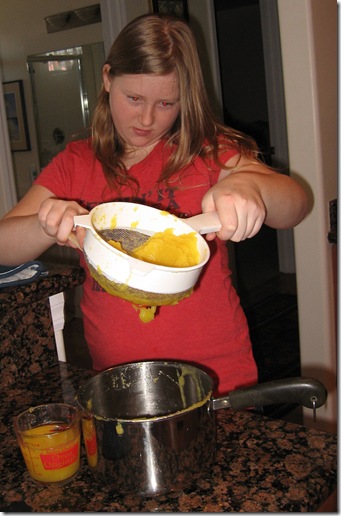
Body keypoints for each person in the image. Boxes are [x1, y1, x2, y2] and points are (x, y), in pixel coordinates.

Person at [0, 14, 307, 395]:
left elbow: (296, 203)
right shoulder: (77, 163)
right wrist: (43, 224)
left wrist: (251, 186)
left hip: (217, 379)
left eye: (166, 103)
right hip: (119, 380)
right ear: (108, 78)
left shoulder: (207, 152)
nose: (147, 118)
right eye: (134, 99)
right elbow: (4, 246)